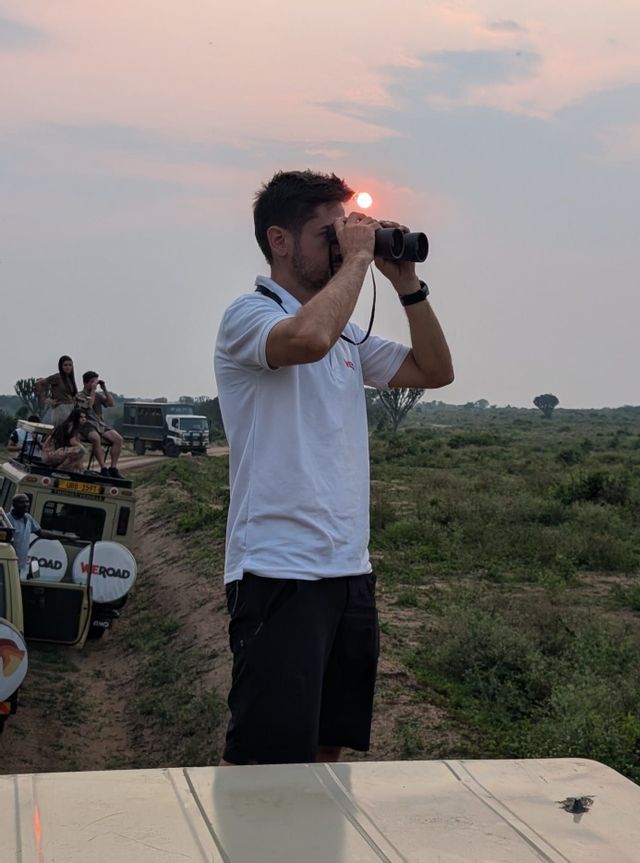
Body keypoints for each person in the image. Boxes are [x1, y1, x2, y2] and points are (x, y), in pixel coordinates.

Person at [214, 170, 454, 766]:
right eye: (331, 234)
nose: (344, 245)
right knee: (267, 766)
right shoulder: (248, 316)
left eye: (347, 233)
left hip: (348, 570)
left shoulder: (346, 335)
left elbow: (434, 370)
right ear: (279, 240)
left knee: (328, 748)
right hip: (277, 571)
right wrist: (360, 260)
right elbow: (307, 339)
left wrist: (408, 286)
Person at [74, 372, 123, 478]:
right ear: (85, 383)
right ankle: (103, 467)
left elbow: (111, 404)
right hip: (86, 423)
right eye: (92, 382)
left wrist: (104, 389)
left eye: (95, 382)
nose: (94, 384)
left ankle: (113, 468)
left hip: (99, 423)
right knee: (95, 438)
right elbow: (89, 406)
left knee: (118, 439)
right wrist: (93, 390)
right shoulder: (79, 396)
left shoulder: (97, 395)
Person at [6, 494, 58, 579]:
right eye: (21, 502)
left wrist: (64, 538)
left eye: (27, 502)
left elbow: (42, 534)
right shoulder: (7, 519)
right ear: (14, 504)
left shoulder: (28, 518)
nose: (25, 504)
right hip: (7, 562)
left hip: (19, 564)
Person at [35, 356, 78, 424]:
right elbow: (39, 382)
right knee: (62, 429)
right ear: (61, 366)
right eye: (65, 365)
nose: (68, 367)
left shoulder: (70, 379)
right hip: (61, 408)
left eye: (70, 365)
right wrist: (46, 400)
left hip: (70, 408)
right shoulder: (57, 377)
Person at [41, 408, 87, 472]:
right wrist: (84, 449)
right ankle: (60, 470)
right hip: (50, 454)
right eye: (81, 417)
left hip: (53, 454)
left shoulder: (69, 426)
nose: (84, 419)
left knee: (78, 455)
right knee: (80, 451)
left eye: (84, 417)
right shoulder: (71, 426)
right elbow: (72, 442)